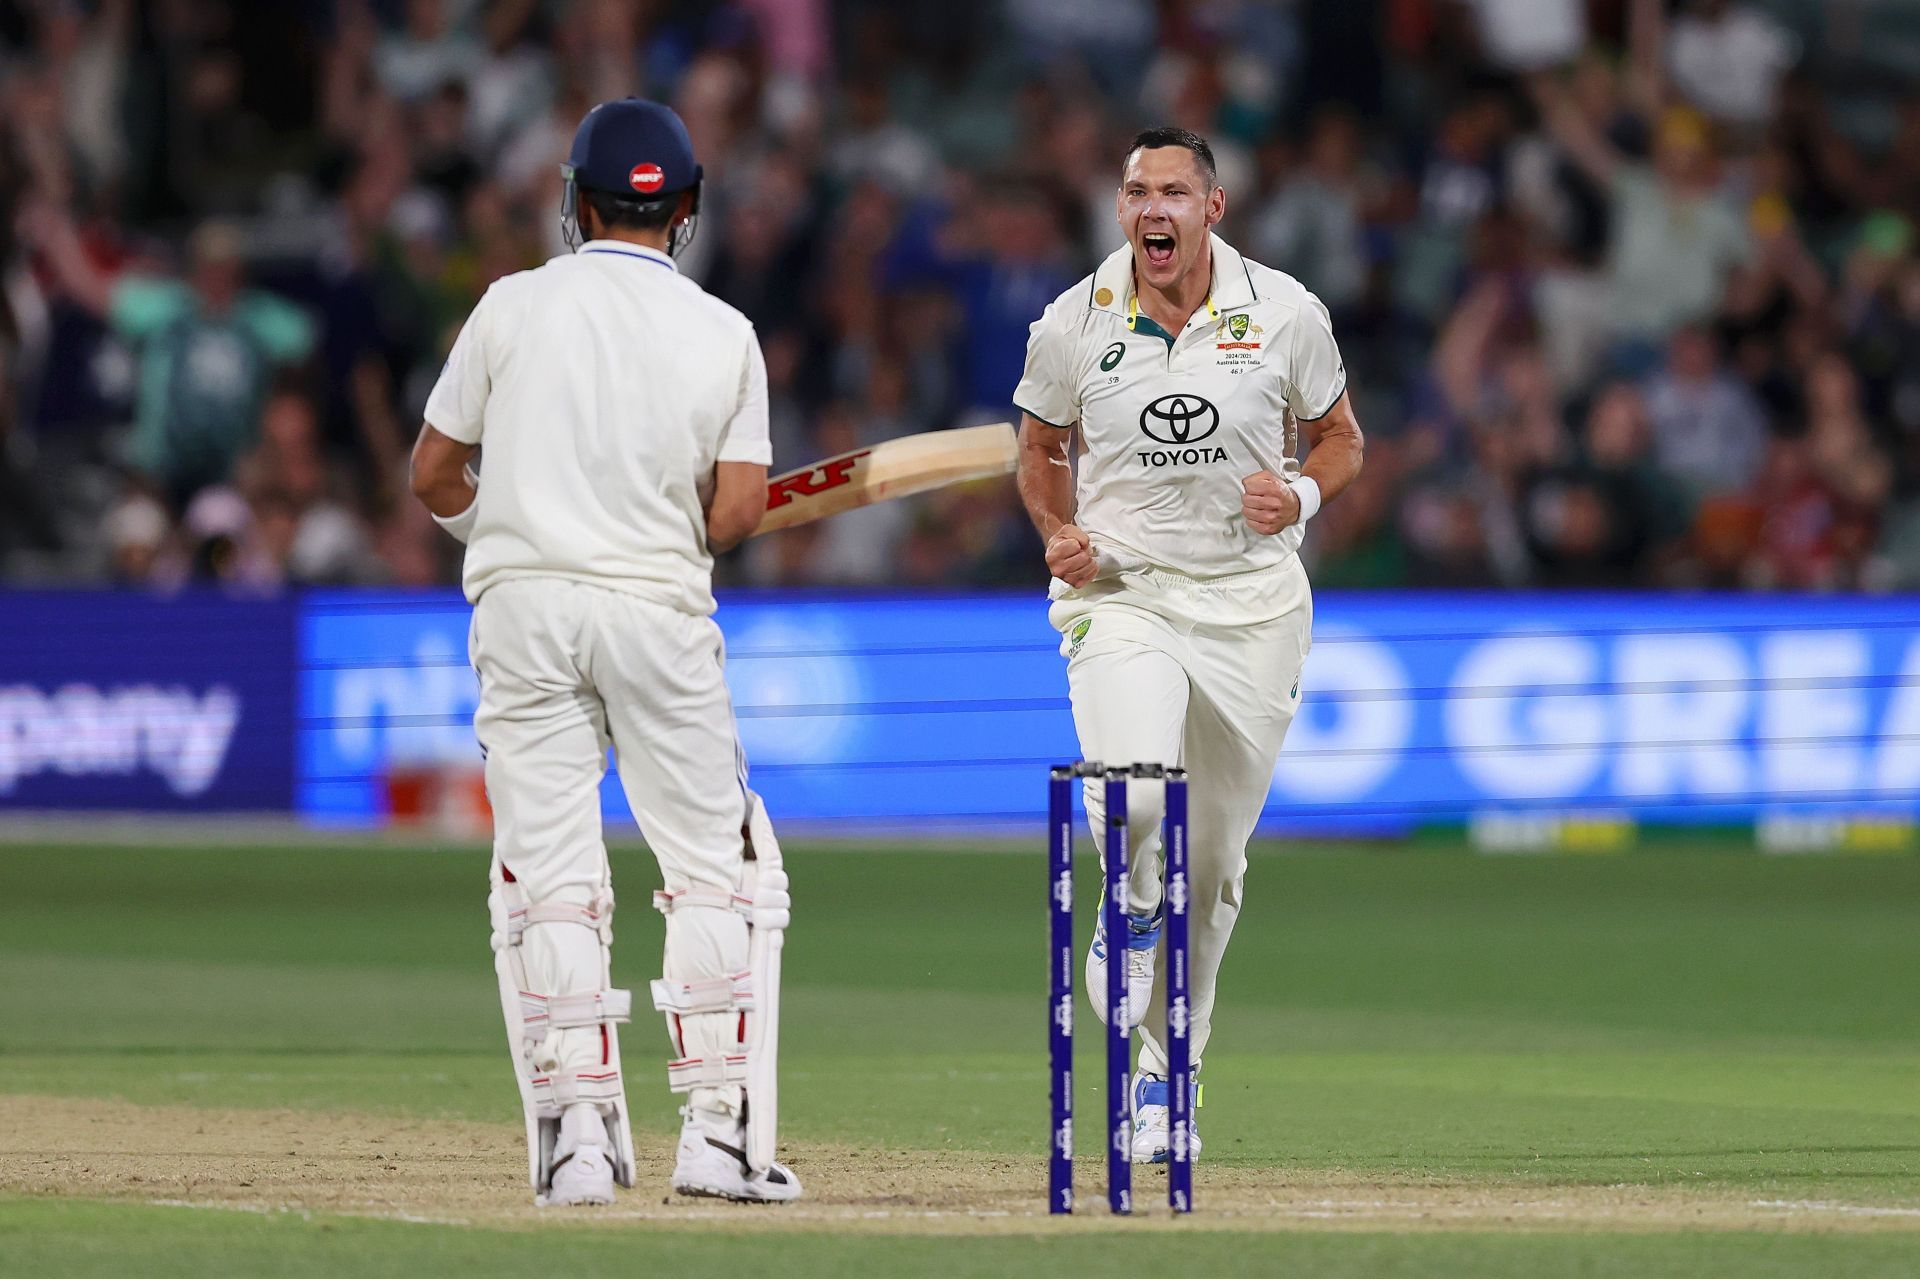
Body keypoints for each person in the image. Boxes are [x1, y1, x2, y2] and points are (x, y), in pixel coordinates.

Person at [408, 97, 799, 1207]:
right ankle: (715, 1139)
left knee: (552, 879)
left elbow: (434, 475)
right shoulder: (726, 332)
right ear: (684, 211)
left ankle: (579, 1141)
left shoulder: (510, 306)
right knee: (719, 872)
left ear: (575, 201)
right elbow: (730, 519)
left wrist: (516, 530)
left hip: (523, 610)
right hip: (654, 610)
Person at [1013, 127, 1365, 1166]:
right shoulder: (1072, 320)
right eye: (1134, 192)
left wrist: (1298, 492)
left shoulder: (1286, 311)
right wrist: (1056, 531)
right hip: (1122, 594)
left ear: (1213, 208)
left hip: (1251, 609)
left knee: (1209, 869)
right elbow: (1037, 449)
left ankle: (1169, 1080)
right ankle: (1124, 909)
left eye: (1171, 191)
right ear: (1120, 210)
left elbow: (1344, 438)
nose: (1150, 209)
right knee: (1138, 791)